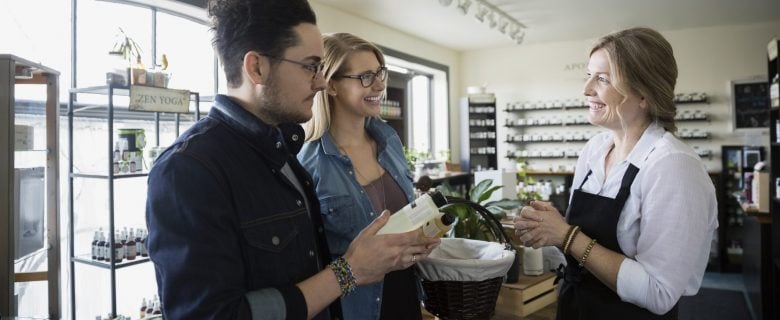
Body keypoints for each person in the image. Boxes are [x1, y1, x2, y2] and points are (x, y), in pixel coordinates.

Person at [145, 1, 440, 319]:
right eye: (311, 66)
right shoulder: (187, 171)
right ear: (257, 67)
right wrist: (349, 271)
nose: (322, 82)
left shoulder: (284, 152)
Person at [513, 27, 717, 319]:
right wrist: (547, 231)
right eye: (588, 76)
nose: (586, 90)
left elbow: (659, 292)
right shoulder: (594, 150)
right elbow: (580, 253)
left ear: (643, 94)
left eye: (603, 79)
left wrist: (567, 235)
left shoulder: (674, 167)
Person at [298, 33, 424, 320]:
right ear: (330, 84)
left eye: (380, 73)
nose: (380, 85)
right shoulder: (308, 163)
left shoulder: (390, 140)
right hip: (355, 307)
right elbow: (309, 260)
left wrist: (420, 238)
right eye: (366, 76)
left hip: (405, 293)